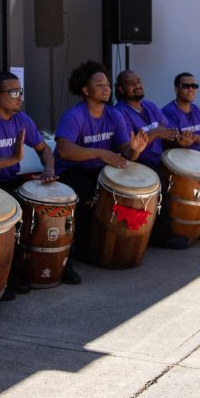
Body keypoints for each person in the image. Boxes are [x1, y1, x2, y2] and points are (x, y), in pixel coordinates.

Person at [0, 71, 59, 294]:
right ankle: (4, 278)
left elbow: (44, 148)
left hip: (9, 182)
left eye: (21, 91)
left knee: (45, 211)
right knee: (11, 216)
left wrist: (48, 168)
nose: (20, 97)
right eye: (14, 92)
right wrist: (13, 159)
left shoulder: (22, 119)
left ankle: (54, 266)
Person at [54, 60, 148, 279]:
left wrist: (135, 150)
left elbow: (125, 153)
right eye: (99, 85)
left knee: (122, 191)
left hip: (98, 169)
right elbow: (65, 150)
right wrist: (99, 152)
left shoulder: (113, 114)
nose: (106, 88)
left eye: (107, 84)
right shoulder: (74, 116)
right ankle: (69, 257)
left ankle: (105, 246)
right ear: (85, 91)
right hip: (69, 171)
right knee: (88, 192)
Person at [115, 69, 200, 247]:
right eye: (131, 83)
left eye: (138, 80)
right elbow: (130, 150)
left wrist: (181, 141)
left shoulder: (150, 106)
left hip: (159, 157)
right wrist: (155, 133)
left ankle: (193, 225)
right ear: (121, 89)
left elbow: (169, 134)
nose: (137, 85)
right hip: (138, 162)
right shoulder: (120, 113)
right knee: (163, 183)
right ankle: (162, 236)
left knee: (187, 177)